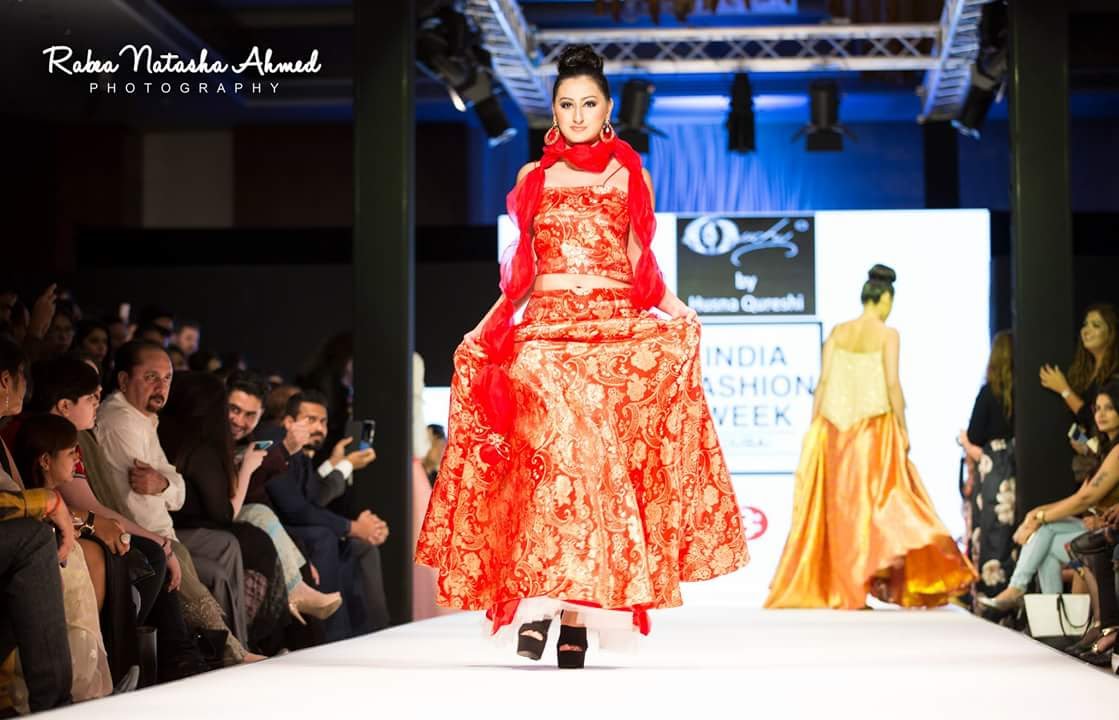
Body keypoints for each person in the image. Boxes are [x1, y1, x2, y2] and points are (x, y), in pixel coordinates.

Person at [415, 45, 749, 668]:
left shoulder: (629, 175)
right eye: (566, 104)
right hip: (546, 332)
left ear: (607, 108)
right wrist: (483, 330)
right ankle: (538, 599)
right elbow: (521, 276)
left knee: (591, 466)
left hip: (612, 332)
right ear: (553, 111)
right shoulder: (532, 179)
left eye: (588, 103)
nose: (576, 115)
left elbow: (639, 264)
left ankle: (573, 614)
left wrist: (679, 311)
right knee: (548, 462)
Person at [765, 265, 975, 609]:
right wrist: (904, 428)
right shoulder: (888, 334)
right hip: (873, 430)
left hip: (833, 430)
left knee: (841, 511)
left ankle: (846, 587)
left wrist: (814, 429)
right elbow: (892, 383)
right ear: (885, 298)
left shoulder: (838, 331)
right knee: (878, 507)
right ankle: (857, 585)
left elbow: (823, 383)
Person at [95, 340, 262, 664]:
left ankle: (236, 645)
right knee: (210, 557)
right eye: (151, 377)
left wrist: (162, 485)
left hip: (162, 530)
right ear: (124, 380)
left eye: (167, 378)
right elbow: (137, 503)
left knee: (231, 544)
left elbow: (173, 486)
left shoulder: (143, 418)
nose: (161, 387)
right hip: (142, 534)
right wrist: (164, 540)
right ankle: (230, 651)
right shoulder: (122, 422)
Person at [249, 391, 387, 641]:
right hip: (268, 526)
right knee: (324, 536)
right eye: (310, 420)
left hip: (290, 523)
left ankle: (373, 632)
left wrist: (337, 463)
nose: (319, 428)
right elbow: (295, 508)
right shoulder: (275, 441)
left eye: (323, 422)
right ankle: (331, 635)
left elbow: (312, 496)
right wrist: (353, 526)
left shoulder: (302, 453)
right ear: (288, 422)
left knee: (361, 546)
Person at [981, 381, 1119, 614]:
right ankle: (1053, 617)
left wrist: (1040, 517)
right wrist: (1036, 513)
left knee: (1044, 531)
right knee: (1044, 543)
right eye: (1097, 408)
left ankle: (1018, 590)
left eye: (1109, 408)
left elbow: (1086, 499)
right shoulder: (1105, 450)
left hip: (1107, 530)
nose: (1101, 414)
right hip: (1094, 527)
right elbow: (1080, 497)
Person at [959, 330, 1016, 602]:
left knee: (990, 529)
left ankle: (988, 596)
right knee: (1010, 531)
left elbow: (974, 434)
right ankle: (1009, 594)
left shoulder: (989, 393)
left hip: (992, 467)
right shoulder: (1024, 393)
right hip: (1017, 464)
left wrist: (964, 442)